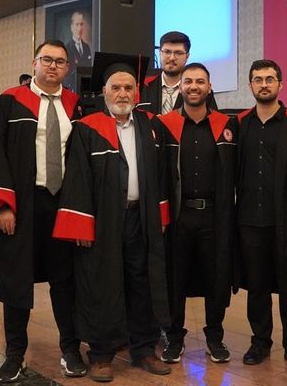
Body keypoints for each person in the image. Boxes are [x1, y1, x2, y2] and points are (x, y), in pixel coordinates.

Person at [53, 52, 171, 383]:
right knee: (101, 284)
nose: (122, 94)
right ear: (104, 91)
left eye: (128, 88)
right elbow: (76, 179)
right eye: (116, 87)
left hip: (140, 218)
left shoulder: (150, 127)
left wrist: (160, 216)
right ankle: (101, 353)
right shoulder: (87, 128)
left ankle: (144, 348)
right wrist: (80, 225)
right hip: (103, 221)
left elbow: (161, 176)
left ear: (137, 92)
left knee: (142, 282)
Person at [0, 40, 85, 381]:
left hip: (62, 204)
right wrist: (2, 205)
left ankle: (70, 349)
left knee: (66, 280)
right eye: (46, 59)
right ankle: (15, 353)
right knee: (16, 278)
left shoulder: (76, 105)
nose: (53, 66)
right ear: (33, 63)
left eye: (60, 62)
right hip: (21, 204)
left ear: (68, 68)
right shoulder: (9, 101)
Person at [235, 59, 287, 371]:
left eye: (270, 79)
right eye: (258, 79)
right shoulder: (239, 124)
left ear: (281, 85)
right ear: (250, 85)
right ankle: (260, 342)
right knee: (257, 288)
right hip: (250, 221)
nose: (264, 84)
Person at [156, 62, 238, 365]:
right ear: (181, 87)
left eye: (200, 82)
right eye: (188, 81)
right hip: (179, 217)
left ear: (209, 87)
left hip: (214, 217)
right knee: (175, 278)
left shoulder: (227, 125)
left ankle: (214, 337)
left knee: (215, 278)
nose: (193, 86)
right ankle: (174, 338)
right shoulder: (164, 125)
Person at [137, 31, 217, 114]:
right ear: (160, 53)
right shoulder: (142, 87)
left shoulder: (201, 91)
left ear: (187, 56)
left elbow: (214, 120)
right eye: (167, 52)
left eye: (178, 53)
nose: (172, 58)